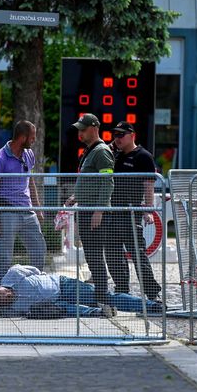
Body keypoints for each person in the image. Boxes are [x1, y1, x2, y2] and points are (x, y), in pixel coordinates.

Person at [106, 121, 162, 300]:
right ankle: (122, 291)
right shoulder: (115, 155)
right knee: (113, 254)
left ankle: (152, 293)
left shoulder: (143, 156)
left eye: (121, 135)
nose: (118, 138)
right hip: (113, 211)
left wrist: (148, 210)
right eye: (115, 135)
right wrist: (110, 149)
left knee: (138, 254)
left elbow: (149, 185)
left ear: (132, 135)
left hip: (131, 212)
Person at [65, 113, 114, 306]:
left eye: (83, 130)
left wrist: (99, 211)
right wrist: (75, 196)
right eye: (79, 130)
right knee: (91, 255)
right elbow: (90, 181)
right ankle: (100, 298)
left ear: (95, 128)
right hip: (86, 208)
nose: (81, 134)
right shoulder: (91, 151)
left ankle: (101, 299)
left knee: (94, 254)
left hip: (95, 212)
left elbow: (108, 182)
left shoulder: (101, 151)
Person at [0, 264, 162, 318]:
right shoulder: (12, 309)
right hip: (54, 303)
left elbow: (32, 270)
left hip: (62, 285)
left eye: (1, 293)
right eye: (1, 300)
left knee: (104, 296)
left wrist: (43, 276)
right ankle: (98, 313)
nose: (5, 296)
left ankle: (150, 306)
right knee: (69, 310)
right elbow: (7, 313)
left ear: (0, 286)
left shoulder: (13, 275)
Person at [0, 120, 46, 282]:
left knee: (39, 250)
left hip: (27, 212)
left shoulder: (28, 154)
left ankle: (36, 288)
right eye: (32, 138)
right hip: (7, 213)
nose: (34, 141)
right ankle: (3, 298)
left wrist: (38, 208)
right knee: (5, 257)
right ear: (22, 138)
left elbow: (31, 181)